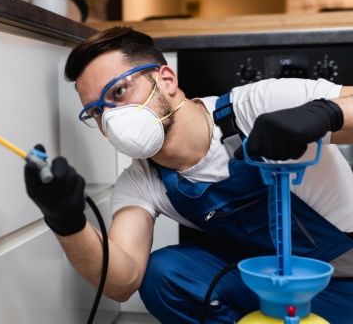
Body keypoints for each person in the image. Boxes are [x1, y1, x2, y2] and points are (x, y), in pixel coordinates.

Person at [24, 27, 353, 324]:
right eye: (97, 111)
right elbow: (122, 282)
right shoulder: (140, 183)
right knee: (163, 274)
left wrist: (326, 113)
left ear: (166, 80)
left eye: (119, 92)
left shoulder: (256, 105)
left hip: (341, 279)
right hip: (260, 282)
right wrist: (67, 224)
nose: (111, 119)